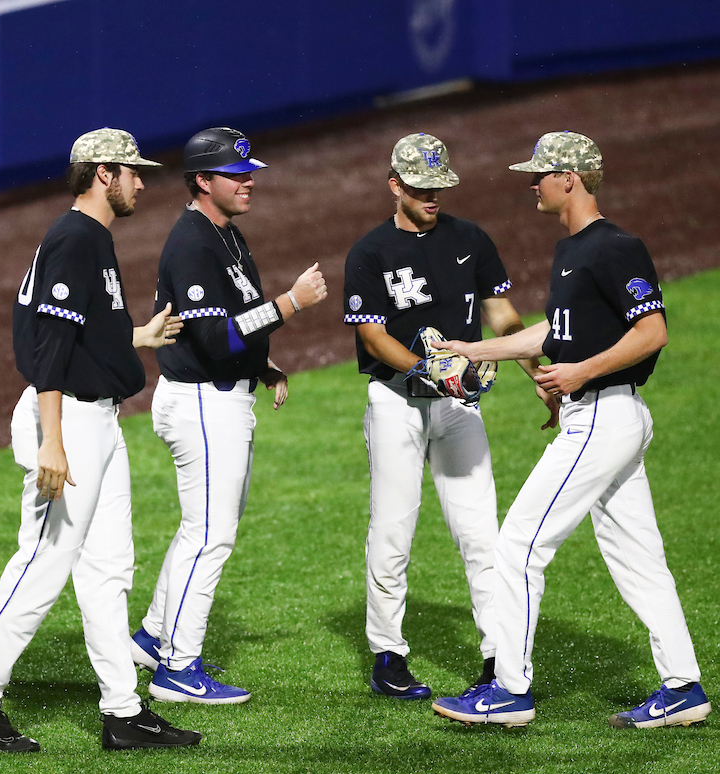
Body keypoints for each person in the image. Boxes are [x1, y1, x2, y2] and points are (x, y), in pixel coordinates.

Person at [432, 131, 711, 728]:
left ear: (571, 179)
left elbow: (651, 331)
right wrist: (474, 346)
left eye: (540, 174)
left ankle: (509, 690)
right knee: (639, 557)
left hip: (603, 417)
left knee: (517, 546)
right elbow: (551, 333)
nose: (531, 183)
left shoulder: (616, 247)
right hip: (602, 416)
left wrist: (580, 372)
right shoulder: (570, 251)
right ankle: (684, 687)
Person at [0, 128, 200, 752]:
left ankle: (123, 710)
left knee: (110, 570)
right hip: (67, 423)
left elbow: (85, 331)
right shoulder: (74, 240)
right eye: (131, 171)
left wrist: (135, 337)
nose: (141, 181)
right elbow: (48, 352)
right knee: (42, 564)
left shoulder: (93, 240)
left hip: (98, 422)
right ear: (100, 174)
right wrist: (53, 443)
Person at [342, 133, 556, 700]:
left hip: (459, 409)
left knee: (481, 535)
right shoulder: (369, 253)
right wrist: (428, 370)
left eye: (439, 185)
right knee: (392, 532)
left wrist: (536, 372)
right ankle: (388, 654)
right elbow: (371, 334)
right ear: (395, 186)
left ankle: (496, 655)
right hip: (395, 404)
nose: (433, 195)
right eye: (420, 187)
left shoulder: (471, 239)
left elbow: (503, 315)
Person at [128, 127, 327, 704]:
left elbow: (236, 325)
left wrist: (263, 365)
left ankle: (153, 637)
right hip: (202, 401)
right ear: (202, 181)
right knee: (211, 535)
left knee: (202, 529)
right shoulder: (191, 242)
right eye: (236, 175)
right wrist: (290, 304)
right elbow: (214, 339)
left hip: (221, 395)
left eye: (249, 171)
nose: (249, 182)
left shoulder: (225, 234)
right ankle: (177, 670)